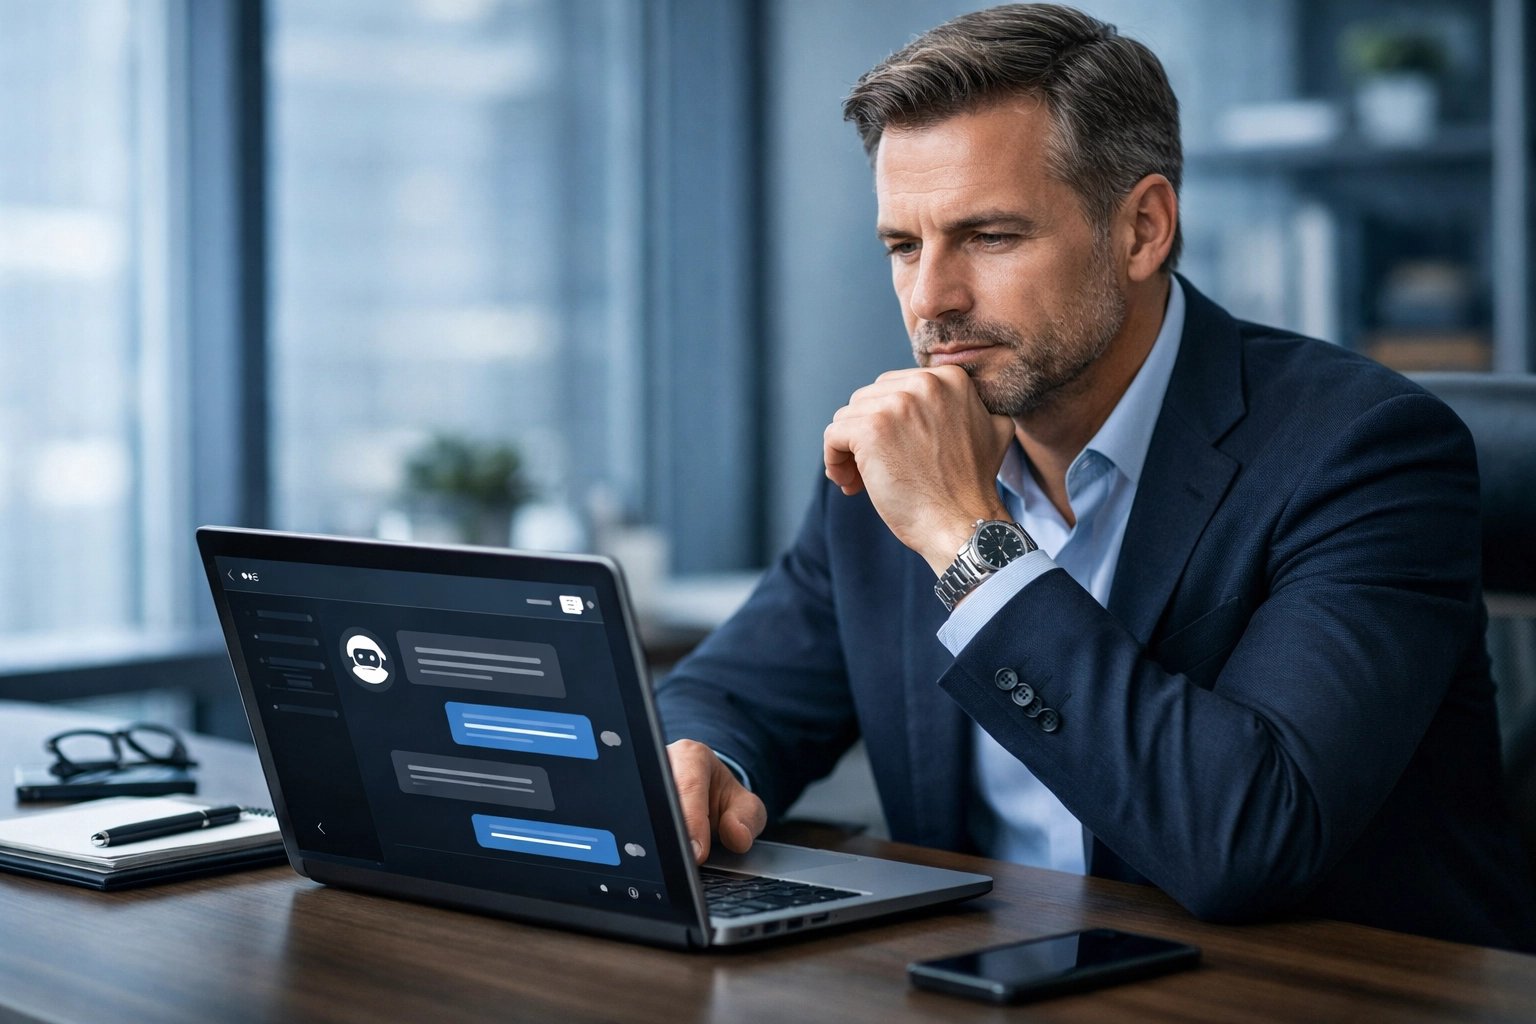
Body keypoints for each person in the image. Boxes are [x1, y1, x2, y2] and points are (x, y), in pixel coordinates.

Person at [655, 3, 1536, 950]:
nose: (931, 300)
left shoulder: (1370, 453)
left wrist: (968, 540)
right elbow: (732, 696)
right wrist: (704, 761)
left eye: (989, 237)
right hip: (991, 983)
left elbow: (1246, 837)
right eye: (904, 246)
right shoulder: (903, 451)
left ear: (1143, 229)